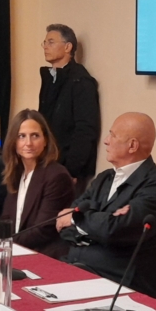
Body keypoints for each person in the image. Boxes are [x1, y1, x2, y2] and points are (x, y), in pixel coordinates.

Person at [56, 112, 156, 297]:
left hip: (120, 284)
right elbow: (64, 223)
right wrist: (96, 223)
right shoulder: (104, 179)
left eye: (112, 135)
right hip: (77, 268)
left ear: (132, 145)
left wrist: (80, 220)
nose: (106, 141)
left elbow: (113, 229)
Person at [0, 110, 75, 256]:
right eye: (21, 136)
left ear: (45, 140)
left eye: (35, 136)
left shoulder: (56, 176)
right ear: (13, 142)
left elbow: (43, 230)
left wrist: (5, 243)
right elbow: (6, 219)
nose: (28, 143)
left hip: (45, 254)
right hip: (17, 249)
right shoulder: (16, 172)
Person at [38, 24, 100, 195]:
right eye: (45, 42)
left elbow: (85, 130)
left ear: (68, 47)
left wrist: (71, 170)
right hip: (46, 163)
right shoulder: (51, 78)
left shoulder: (81, 82)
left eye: (51, 42)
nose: (45, 47)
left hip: (67, 169)